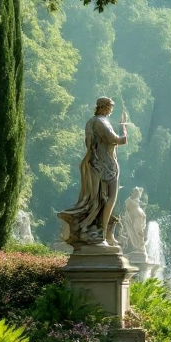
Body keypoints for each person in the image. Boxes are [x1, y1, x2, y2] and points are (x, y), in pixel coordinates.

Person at [58, 97, 128, 247]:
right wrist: (124, 130)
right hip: (106, 166)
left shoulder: (92, 121)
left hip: (96, 164)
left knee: (100, 199)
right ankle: (102, 233)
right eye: (109, 107)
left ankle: (105, 233)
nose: (111, 110)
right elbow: (117, 140)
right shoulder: (101, 122)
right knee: (111, 198)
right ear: (104, 107)